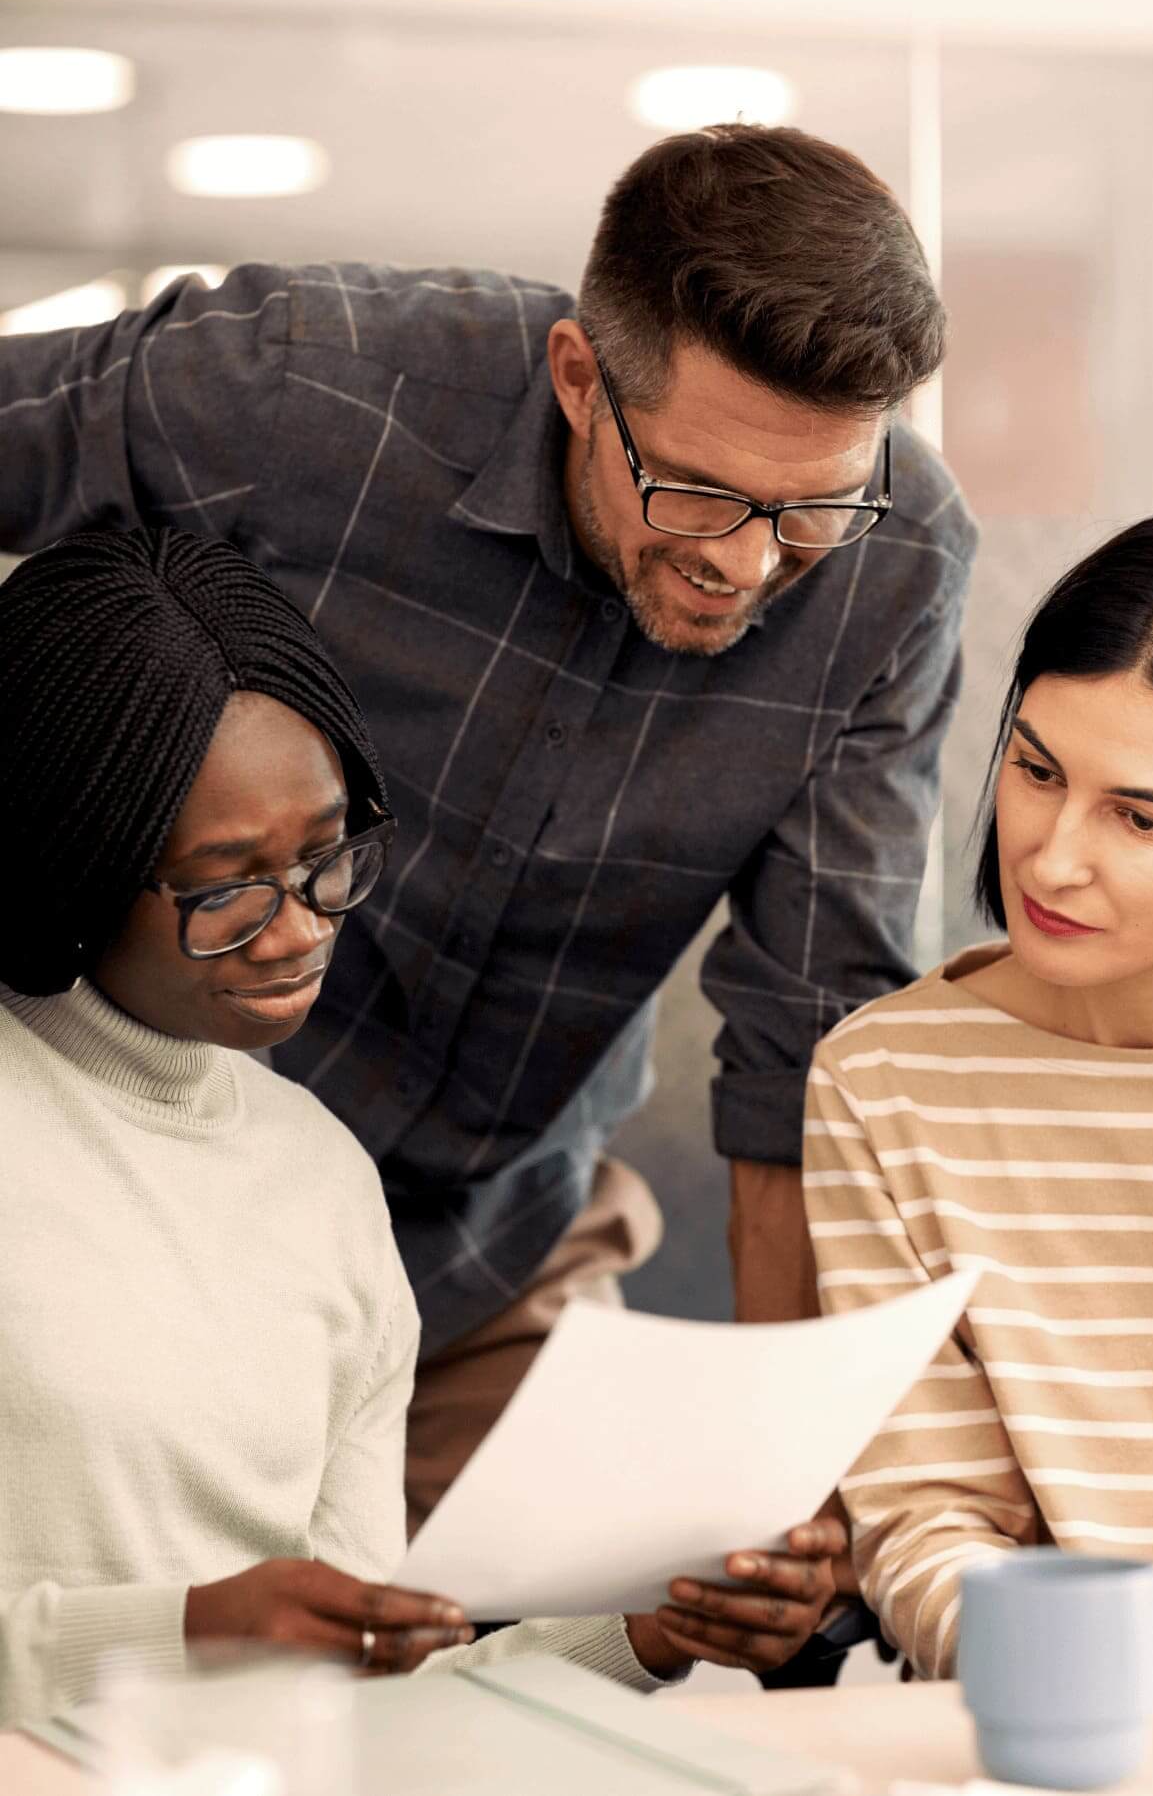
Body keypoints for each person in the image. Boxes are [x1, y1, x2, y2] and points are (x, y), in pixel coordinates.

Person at [0, 122, 975, 1529]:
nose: (749, 563)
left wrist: (792, 1478)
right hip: (127, 1204)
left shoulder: (899, 573)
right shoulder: (303, 392)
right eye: (696, 490)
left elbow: (803, 1040)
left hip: (489, 1249)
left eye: (813, 507)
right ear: (581, 377)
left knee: (535, 1692)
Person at [0, 526, 846, 1728]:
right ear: (69, 860)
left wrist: (645, 1635)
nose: (300, 932)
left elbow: (374, 1694)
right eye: (229, 884)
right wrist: (184, 1635)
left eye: (327, 855)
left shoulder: (320, 1184)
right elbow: (217, 1649)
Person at [803, 509, 1153, 1680]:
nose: (1053, 856)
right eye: (1036, 769)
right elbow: (919, 1520)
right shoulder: (885, 1082)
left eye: (1140, 815)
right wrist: (1077, 1646)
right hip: (1059, 1722)